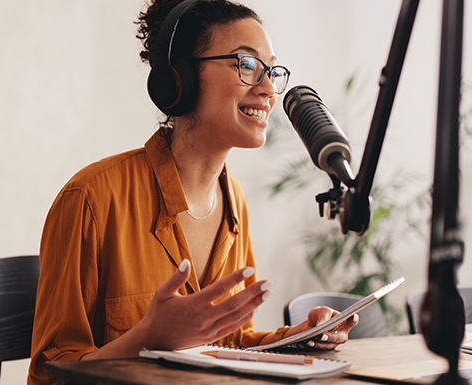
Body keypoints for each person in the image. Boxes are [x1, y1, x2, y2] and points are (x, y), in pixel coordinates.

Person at [28, 1, 358, 384]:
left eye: (271, 71)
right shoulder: (92, 199)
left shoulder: (233, 200)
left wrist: (299, 337)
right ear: (178, 78)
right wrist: (146, 339)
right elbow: (50, 375)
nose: (268, 89)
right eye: (246, 65)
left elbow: (230, 344)